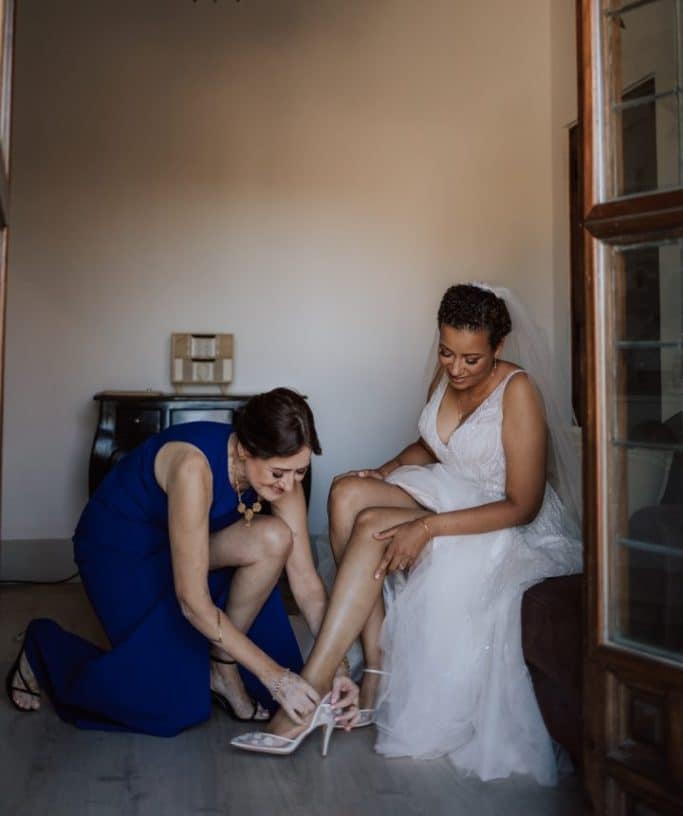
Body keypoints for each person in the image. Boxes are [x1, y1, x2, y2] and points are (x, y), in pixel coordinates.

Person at [232, 284, 581, 784]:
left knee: (373, 525)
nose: (455, 369)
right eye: (446, 352)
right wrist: (387, 469)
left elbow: (522, 506)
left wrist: (425, 526)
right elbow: (433, 441)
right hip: (450, 490)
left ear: (499, 348)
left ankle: (308, 695)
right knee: (348, 490)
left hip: (496, 515)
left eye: (471, 359)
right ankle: (376, 663)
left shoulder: (518, 391)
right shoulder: (445, 377)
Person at [6, 388, 358, 735]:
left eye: (300, 471)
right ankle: (43, 647)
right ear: (244, 449)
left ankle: (223, 666)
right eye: (279, 473)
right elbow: (192, 603)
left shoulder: (283, 478)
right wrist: (276, 677)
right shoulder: (193, 468)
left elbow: (307, 583)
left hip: (194, 548)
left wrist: (336, 667)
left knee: (276, 537)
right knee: (174, 704)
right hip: (123, 552)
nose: (289, 485)